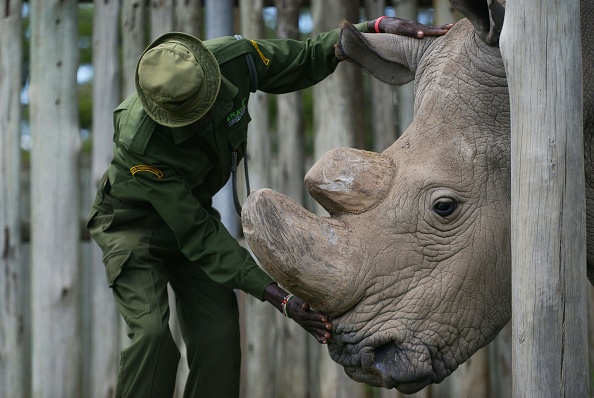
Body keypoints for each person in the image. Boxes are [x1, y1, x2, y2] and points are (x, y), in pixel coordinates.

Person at [86, 15, 451, 398]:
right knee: (151, 337)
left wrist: (367, 31)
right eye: (192, 116)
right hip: (133, 228)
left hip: (193, 217)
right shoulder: (141, 142)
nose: (208, 116)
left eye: (207, 102)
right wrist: (277, 295)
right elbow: (196, 233)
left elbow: (303, 57)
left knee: (219, 334)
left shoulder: (232, 60)